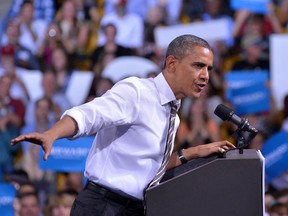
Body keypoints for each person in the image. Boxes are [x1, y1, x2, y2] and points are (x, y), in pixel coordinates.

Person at [11, 34, 235, 215]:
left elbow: (149, 168)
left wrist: (196, 152)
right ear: (172, 63)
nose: (205, 76)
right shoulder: (136, 91)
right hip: (102, 207)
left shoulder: (173, 115)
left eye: (209, 69)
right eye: (199, 66)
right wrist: (52, 134)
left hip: (136, 209)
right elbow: (89, 115)